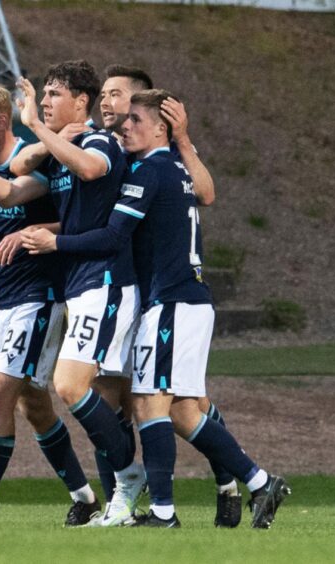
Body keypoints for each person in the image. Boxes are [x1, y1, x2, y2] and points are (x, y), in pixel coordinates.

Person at [22, 89, 290, 529]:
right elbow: (203, 194)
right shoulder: (176, 166)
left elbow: (111, 237)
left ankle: (164, 511)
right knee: (183, 410)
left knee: (149, 404)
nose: (124, 126)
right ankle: (259, 482)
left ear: (161, 127)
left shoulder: (149, 171)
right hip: (186, 299)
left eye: (134, 121)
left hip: (171, 300)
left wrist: (56, 242)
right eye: (122, 119)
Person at [0, 60, 146, 528]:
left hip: (52, 291)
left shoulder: (90, 145)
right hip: (21, 293)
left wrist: (46, 229)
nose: (46, 102)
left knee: (7, 395)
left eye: (55, 94)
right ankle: (95, 497)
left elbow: (85, 198)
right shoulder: (46, 155)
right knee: (40, 403)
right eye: (44, 95)